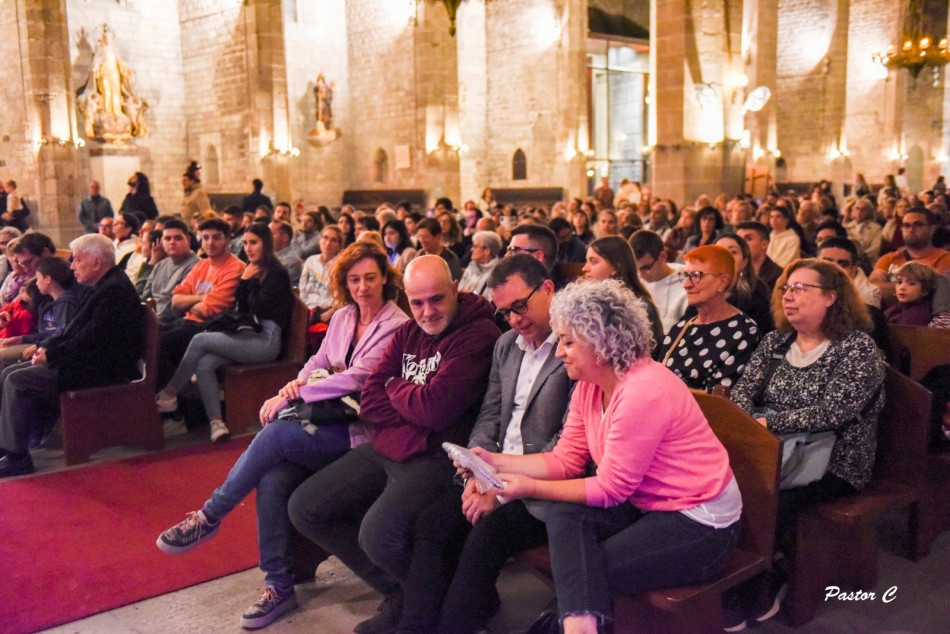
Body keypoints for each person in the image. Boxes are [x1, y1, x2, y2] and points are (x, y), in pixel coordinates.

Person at [156, 240, 410, 628]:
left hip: (361, 434)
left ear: (384, 279)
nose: (363, 287)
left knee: (275, 436)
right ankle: (278, 586)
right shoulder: (344, 317)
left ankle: (210, 515)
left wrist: (300, 392)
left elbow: (359, 377)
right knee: (273, 478)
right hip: (326, 420)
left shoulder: (397, 325)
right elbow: (319, 360)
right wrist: (289, 388)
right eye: (355, 279)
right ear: (345, 282)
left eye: (371, 278)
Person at [473, 278, 741, 634]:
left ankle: (570, 627)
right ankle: (574, 626)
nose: (558, 352)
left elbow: (611, 489)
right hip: (649, 502)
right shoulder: (589, 385)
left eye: (567, 342)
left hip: (700, 520)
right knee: (566, 520)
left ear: (601, 342)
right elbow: (565, 461)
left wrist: (525, 487)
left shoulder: (642, 390)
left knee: (589, 572)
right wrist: (492, 461)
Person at [287, 256, 500, 634]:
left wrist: (395, 387)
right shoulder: (407, 332)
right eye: (417, 303)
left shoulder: (477, 333)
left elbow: (436, 409)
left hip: (438, 456)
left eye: (436, 299)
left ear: (454, 289)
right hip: (390, 446)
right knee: (305, 507)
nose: (427, 312)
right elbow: (369, 399)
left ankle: (437, 598)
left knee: (378, 534)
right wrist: (408, 399)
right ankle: (408, 593)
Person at [726, 259, 884, 629]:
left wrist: (766, 422)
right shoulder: (775, 341)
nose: (788, 296)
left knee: (768, 500)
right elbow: (742, 392)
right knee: (716, 486)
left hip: (834, 462)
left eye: (800, 288)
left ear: (831, 297)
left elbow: (834, 412)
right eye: (785, 288)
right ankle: (731, 578)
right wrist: (750, 423)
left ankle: (757, 587)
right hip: (770, 450)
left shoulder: (856, 348)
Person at [0, 234, 145, 478]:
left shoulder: (114, 290)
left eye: (77, 260)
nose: (72, 266)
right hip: (87, 361)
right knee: (10, 371)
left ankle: (17, 456)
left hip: (102, 368)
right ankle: (10, 449)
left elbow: (92, 339)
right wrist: (46, 348)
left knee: (17, 379)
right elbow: (73, 330)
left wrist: (52, 353)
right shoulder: (100, 286)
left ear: (97, 262)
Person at [155, 223, 295, 442]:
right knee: (205, 363)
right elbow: (242, 306)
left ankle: (169, 393)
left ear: (266, 244)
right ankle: (216, 423)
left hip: (267, 341)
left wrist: (247, 281)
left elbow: (258, 308)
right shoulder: (252, 269)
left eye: (254, 243)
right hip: (250, 334)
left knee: (200, 339)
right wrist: (245, 282)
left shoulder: (276, 273)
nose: (248, 248)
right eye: (246, 243)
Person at [656, 245, 760, 392]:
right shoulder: (680, 329)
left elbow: (720, 401)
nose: (686, 285)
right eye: (685, 276)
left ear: (722, 282)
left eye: (696, 276)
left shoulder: (744, 331)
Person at [158, 218, 245, 393]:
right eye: (205, 238)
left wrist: (188, 301)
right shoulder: (202, 264)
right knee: (148, 333)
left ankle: (171, 401)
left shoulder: (235, 268)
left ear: (228, 240)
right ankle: (163, 396)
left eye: (216, 237)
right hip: (188, 321)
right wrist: (199, 298)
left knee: (160, 343)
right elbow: (175, 299)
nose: (210, 242)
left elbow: (209, 310)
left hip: (209, 328)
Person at [581, 236, 664, 348]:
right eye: (587, 261)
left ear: (615, 267)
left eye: (593, 261)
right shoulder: (589, 302)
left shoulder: (640, 308)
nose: (585, 268)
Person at [870, 207, 950, 302]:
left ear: (932, 229)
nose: (911, 229)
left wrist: (890, 285)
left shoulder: (944, 258)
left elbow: (936, 289)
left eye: (918, 225)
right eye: (906, 226)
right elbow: (873, 287)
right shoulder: (889, 258)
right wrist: (915, 286)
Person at [142, 219, 200, 323]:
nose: (172, 242)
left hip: (173, 323)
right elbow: (145, 296)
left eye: (178, 238)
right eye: (167, 238)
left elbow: (179, 307)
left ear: (188, 240)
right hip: (150, 320)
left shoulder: (196, 266)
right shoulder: (160, 265)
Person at [630, 230, 687, 334]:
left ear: (662, 256)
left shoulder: (686, 283)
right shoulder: (637, 281)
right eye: (636, 269)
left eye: (645, 268)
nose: (641, 275)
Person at [716, 233, 774, 331]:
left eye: (733, 252)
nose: (725, 256)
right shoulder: (701, 289)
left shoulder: (757, 293)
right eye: (719, 252)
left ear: (744, 262)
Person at [299, 226, 344, 323]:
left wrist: (327, 314)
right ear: (320, 240)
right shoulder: (311, 261)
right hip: (308, 307)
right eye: (325, 238)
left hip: (328, 311)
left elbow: (340, 299)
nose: (328, 243)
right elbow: (302, 289)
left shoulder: (341, 266)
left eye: (333, 240)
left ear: (339, 246)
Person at [737, 221, 784, 290]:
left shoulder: (778, 276)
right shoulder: (735, 272)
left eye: (748, 239)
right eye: (738, 240)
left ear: (764, 244)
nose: (741, 244)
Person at [458, 230, 502, 300]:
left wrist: (469, 296)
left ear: (486, 251)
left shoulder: (498, 273)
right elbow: (460, 289)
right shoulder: (471, 266)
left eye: (475, 246)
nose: (472, 249)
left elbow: (490, 302)